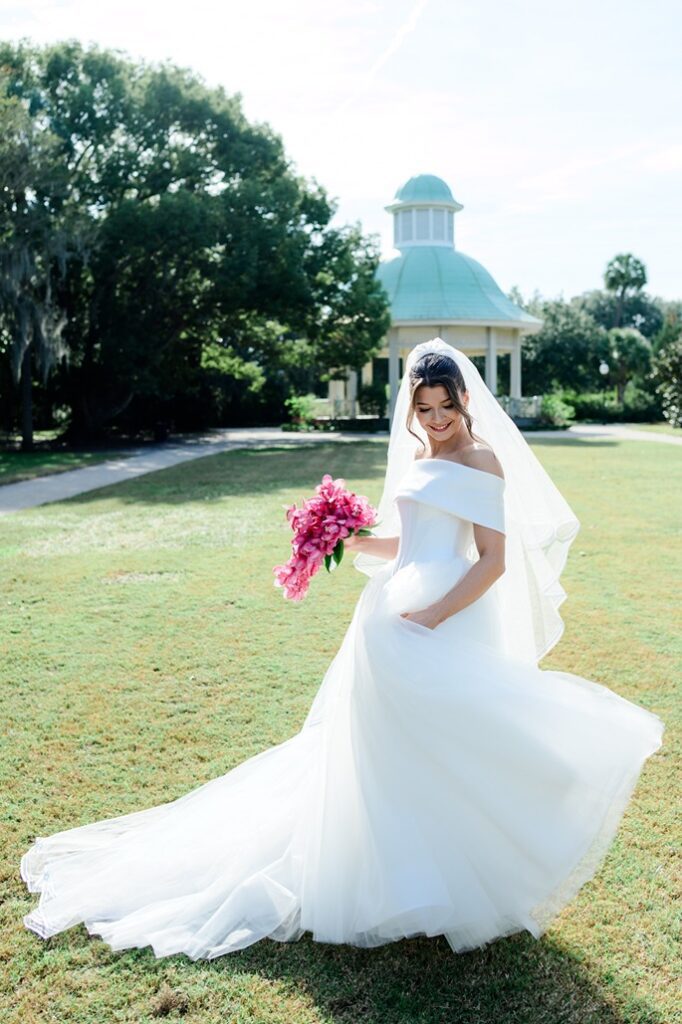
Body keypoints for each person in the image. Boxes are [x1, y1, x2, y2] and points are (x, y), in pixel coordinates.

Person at [20, 338, 664, 960]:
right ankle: (399, 878)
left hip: (447, 615)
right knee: (382, 751)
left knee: (459, 741)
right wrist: (348, 538)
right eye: (424, 409)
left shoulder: (482, 462)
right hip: (387, 615)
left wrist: (434, 615)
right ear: (412, 408)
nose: (436, 421)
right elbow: (406, 545)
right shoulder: (420, 459)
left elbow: (491, 561)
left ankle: (463, 872)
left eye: (445, 406)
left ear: (465, 398)